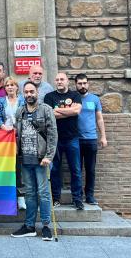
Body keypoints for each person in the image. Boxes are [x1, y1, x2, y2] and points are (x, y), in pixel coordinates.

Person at [9, 81, 58, 241]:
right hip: (25, 159)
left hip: (41, 159)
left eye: (32, 91)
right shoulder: (20, 111)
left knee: (43, 193)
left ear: (37, 92)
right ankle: (29, 225)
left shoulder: (46, 110)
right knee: (29, 193)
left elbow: (52, 135)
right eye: (26, 92)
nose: (29, 94)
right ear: (23, 94)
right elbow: (17, 134)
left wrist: (49, 156)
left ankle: (46, 226)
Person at [44, 72, 84, 210]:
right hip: (55, 139)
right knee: (55, 169)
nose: (59, 81)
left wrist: (58, 110)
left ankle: (77, 199)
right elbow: (50, 115)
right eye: (57, 79)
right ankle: (56, 198)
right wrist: (69, 110)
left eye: (62, 79)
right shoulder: (49, 96)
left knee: (76, 170)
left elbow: (77, 111)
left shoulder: (75, 95)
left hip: (72, 138)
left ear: (67, 81)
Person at [75, 73, 107, 205]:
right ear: (75, 84)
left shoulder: (94, 99)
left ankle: (90, 196)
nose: (82, 86)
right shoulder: (72, 98)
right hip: (75, 140)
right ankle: (78, 196)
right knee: (76, 170)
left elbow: (99, 119)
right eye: (80, 83)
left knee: (90, 169)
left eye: (84, 83)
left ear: (88, 84)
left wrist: (103, 136)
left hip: (91, 139)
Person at [0, 76, 26, 210]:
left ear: (16, 87)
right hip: (5, 137)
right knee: (7, 166)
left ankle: (20, 198)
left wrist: (17, 130)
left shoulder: (23, 101)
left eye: (12, 85)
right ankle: (6, 197)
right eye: (7, 85)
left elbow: (26, 117)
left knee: (19, 168)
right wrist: (4, 128)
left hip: (21, 137)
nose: (9, 87)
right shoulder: (1, 101)